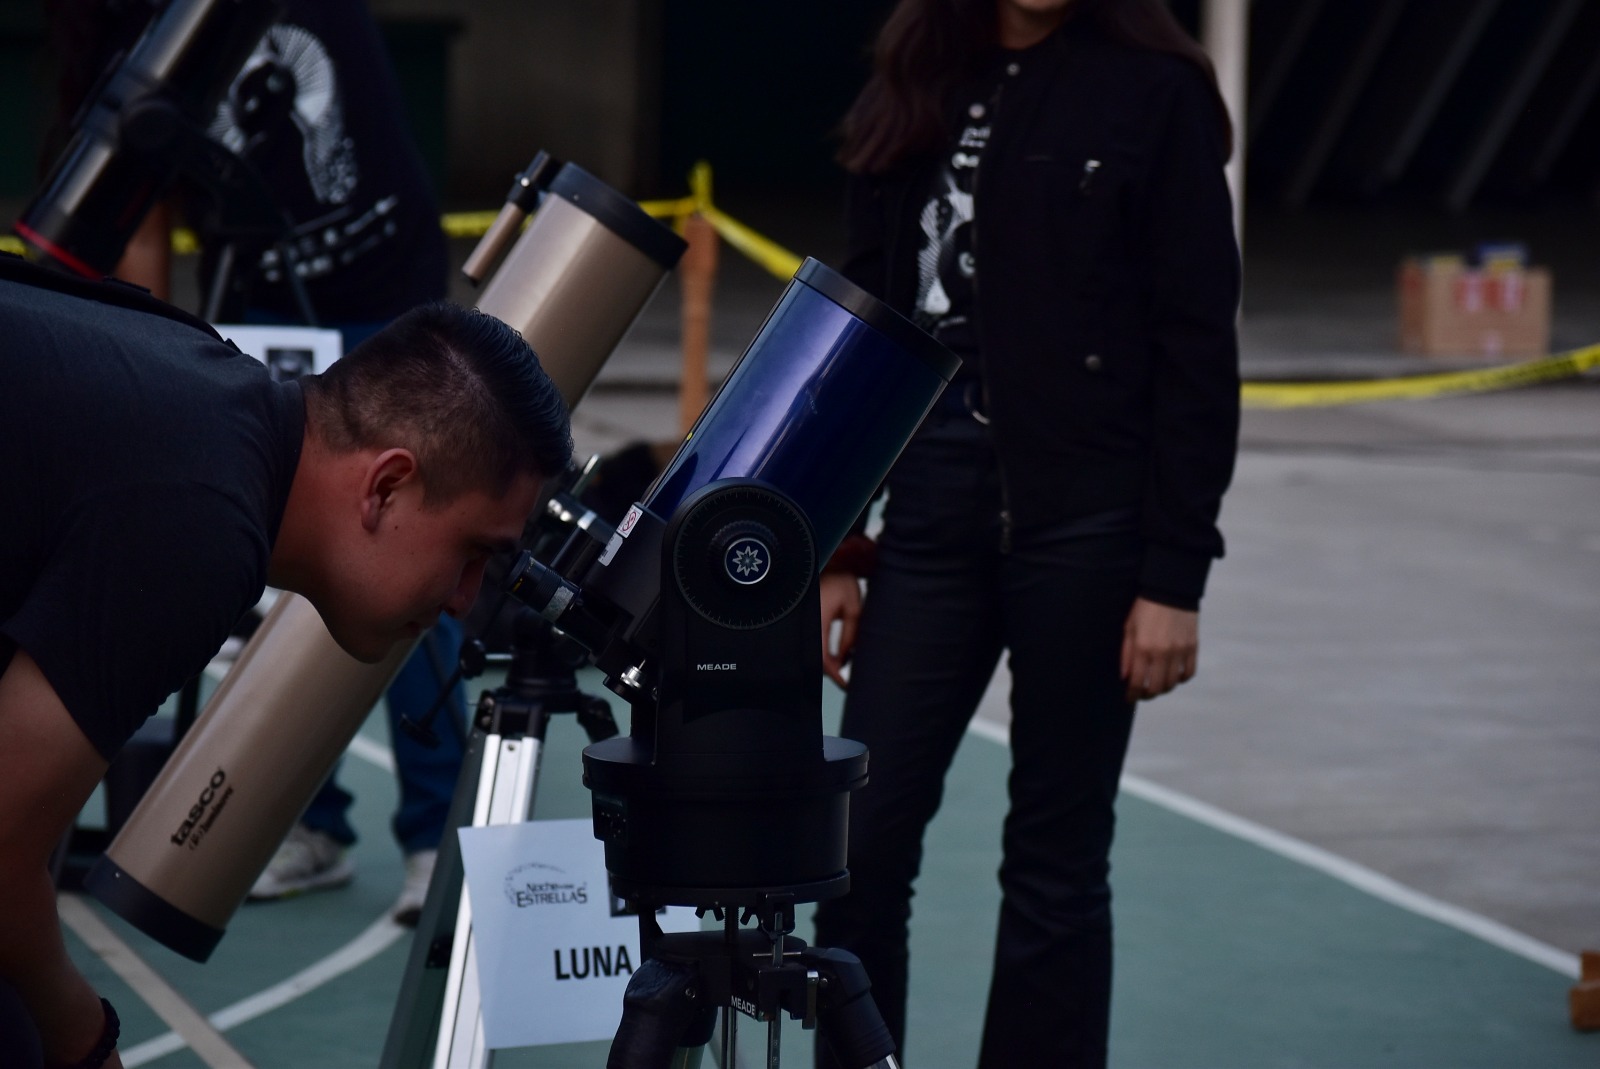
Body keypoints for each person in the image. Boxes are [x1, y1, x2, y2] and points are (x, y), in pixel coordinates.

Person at [0, 255, 572, 1068]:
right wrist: (81, 1033)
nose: (463, 598)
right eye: (475, 551)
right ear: (386, 486)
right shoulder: (203, 521)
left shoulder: (206, 389)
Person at [812, 1, 1240, 1066]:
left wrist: (1174, 575)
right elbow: (857, 322)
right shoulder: (911, 78)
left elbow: (1197, 344)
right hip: (927, 520)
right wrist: (831, 539)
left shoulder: (1156, 90)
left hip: (1087, 523)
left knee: (1054, 863)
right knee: (855, 847)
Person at [43, 0, 466, 924]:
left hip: (387, 295)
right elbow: (145, 221)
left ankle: (438, 833)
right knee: (279, 571)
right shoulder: (126, 29)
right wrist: (147, 365)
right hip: (260, 310)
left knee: (409, 560)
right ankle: (310, 823)